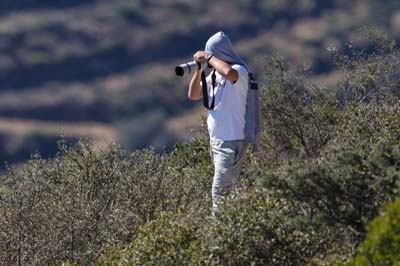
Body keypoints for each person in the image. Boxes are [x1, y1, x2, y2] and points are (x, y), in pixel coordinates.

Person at [187, 31, 261, 214]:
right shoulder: (215, 76)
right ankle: (235, 230)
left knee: (219, 193)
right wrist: (199, 69)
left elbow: (229, 73)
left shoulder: (240, 72)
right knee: (229, 193)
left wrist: (209, 57)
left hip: (231, 141)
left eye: (212, 54)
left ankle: (218, 238)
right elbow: (193, 94)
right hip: (217, 142)